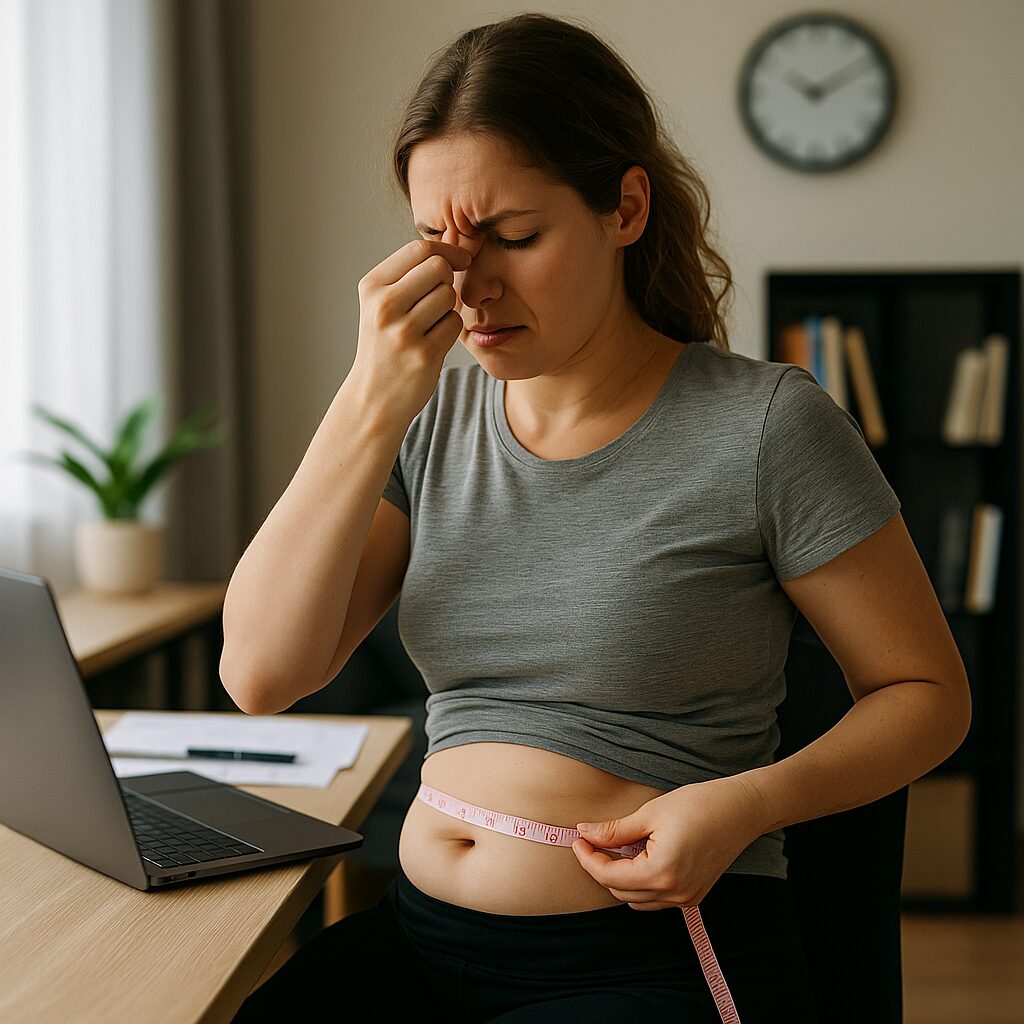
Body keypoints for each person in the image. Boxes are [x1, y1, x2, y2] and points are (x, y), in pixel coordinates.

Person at [222, 12, 972, 1023]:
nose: (470, 287)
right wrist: (369, 396)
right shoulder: (428, 417)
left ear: (624, 207)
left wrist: (743, 802)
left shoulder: (763, 426)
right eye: (437, 244)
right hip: (421, 938)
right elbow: (262, 674)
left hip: (653, 952)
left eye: (514, 238)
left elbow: (926, 693)